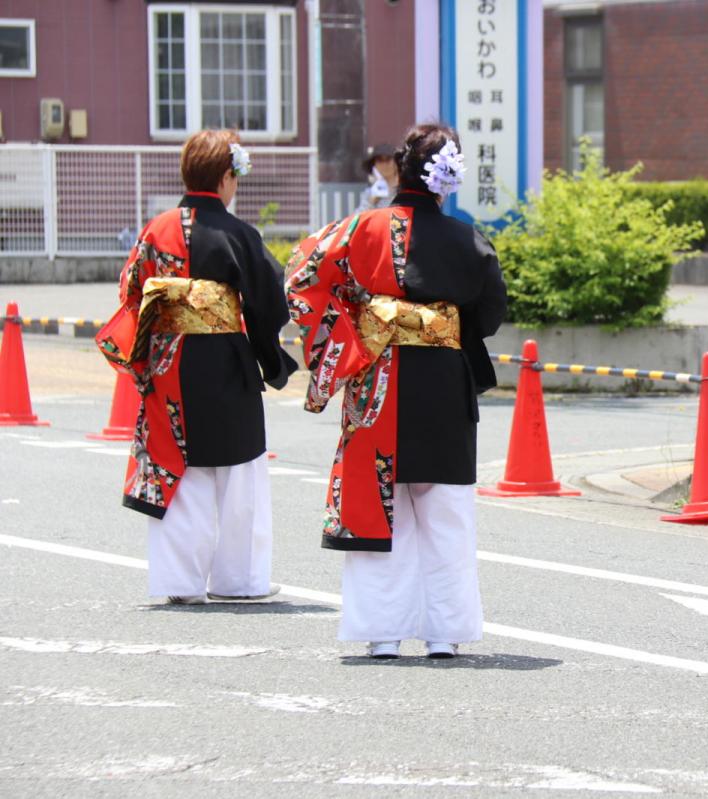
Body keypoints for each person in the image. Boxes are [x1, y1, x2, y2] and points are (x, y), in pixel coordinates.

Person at [286, 123, 507, 660]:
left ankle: (380, 630)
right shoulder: (467, 240)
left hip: (377, 378)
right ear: (446, 178)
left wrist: (346, 335)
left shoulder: (359, 229)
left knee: (378, 501)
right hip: (444, 385)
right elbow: (492, 314)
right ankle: (443, 632)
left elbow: (301, 276)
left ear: (401, 169)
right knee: (444, 510)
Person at [96, 129, 298, 605]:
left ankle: (178, 583)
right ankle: (239, 581)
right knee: (238, 474)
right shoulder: (240, 235)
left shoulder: (155, 230)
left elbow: (131, 292)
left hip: (169, 363)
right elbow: (269, 303)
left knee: (177, 467)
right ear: (227, 177)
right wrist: (270, 359)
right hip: (226, 360)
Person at [360, 142, 400, 211]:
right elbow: (358, 218)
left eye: (388, 159)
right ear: (374, 164)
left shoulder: (404, 189)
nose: (384, 164)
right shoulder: (370, 193)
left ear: (396, 163)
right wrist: (372, 201)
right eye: (380, 160)